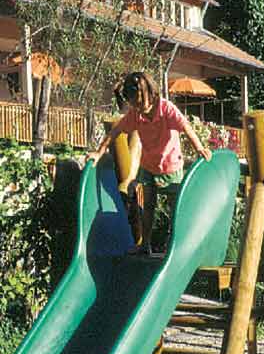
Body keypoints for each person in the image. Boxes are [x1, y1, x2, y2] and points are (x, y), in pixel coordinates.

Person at [85, 70, 212, 254]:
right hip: (149, 167)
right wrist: (98, 152)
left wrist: (199, 148)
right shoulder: (136, 115)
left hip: (171, 167)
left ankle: (178, 243)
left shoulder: (166, 108)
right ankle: (145, 245)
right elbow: (115, 131)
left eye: (139, 101)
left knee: (176, 207)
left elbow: (185, 126)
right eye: (133, 103)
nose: (137, 107)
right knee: (148, 208)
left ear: (149, 94)